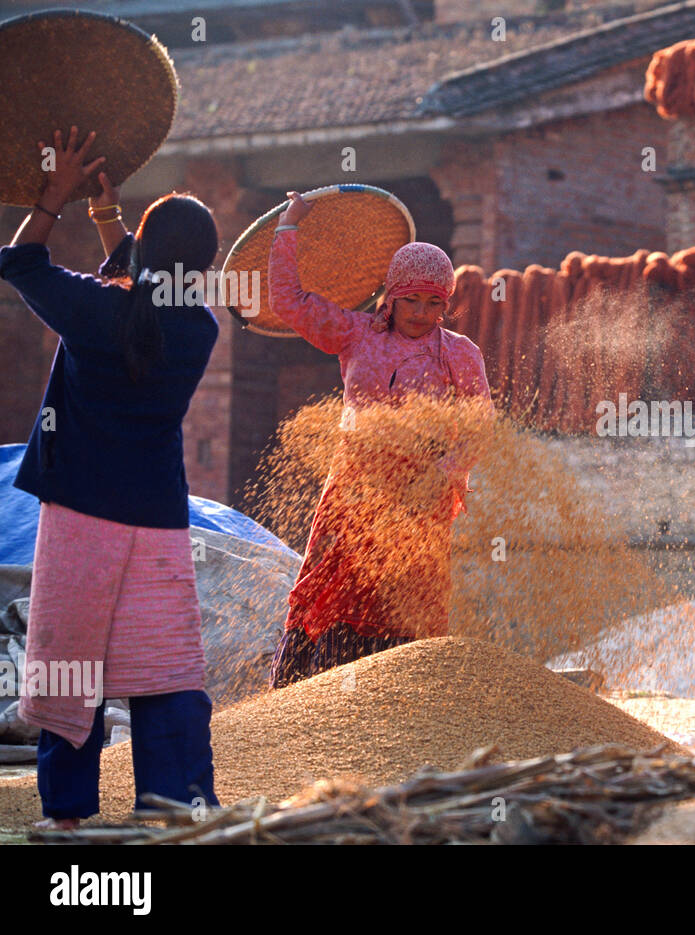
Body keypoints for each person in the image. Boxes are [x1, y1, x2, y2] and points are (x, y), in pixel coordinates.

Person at [0, 127, 220, 827]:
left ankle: (67, 814)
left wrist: (55, 195)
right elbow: (151, 286)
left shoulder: (97, 312)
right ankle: (177, 803)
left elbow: (23, 262)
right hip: (157, 517)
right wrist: (108, 218)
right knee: (166, 662)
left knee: (70, 663)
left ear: (146, 255)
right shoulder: (201, 327)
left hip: (81, 514)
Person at [267, 191, 492, 688]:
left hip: (422, 497)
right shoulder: (356, 334)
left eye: (435, 303)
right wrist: (289, 226)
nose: (422, 312)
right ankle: (309, 696)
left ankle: (401, 700)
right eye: (411, 299)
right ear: (391, 294)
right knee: (332, 586)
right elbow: (289, 301)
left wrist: (449, 470)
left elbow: (480, 421)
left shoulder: (459, 353)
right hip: (354, 488)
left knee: (405, 597)